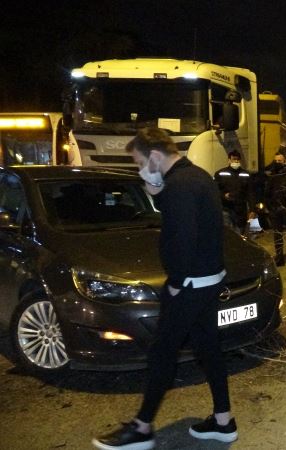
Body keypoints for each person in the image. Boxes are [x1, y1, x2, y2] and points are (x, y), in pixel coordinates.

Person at [92, 128, 236, 449]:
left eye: (140, 161)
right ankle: (223, 421)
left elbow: (182, 239)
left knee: (162, 352)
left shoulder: (180, 186)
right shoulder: (199, 177)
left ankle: (141, 428)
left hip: (190, 284)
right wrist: (158, 190)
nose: (139, 168)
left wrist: (175, 283)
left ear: (155, 156)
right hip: (210, 279)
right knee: (208, 348)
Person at [214, 150, 255, 234]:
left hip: (240, 210)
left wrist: (252, 210)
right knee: (228, 234)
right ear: (229, 160)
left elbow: (250, 193)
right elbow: (215, 190)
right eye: (233, 159)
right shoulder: (220, 173)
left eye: (237, 159)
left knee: (240, 233)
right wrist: (224, 196)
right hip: (226, 209)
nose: (236, 161)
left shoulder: (246, 174)